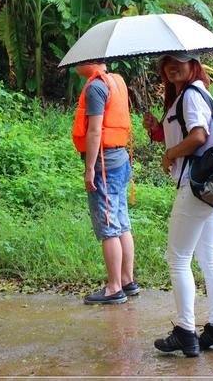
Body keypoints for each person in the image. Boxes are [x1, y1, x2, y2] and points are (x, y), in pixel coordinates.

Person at [142, 53, 213, 357]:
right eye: (167, 60)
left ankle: (185, 331)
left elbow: (198, 136)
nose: (172, 65)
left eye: (180, 59)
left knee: (178, 259)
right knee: (208, 256)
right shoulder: (188, 96)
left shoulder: (191, 94)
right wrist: (157, 130)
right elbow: (185, 135)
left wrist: (169, 155)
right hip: (207, 187)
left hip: (194, 187)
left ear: (193, 63)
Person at [72, 61, 138, 305]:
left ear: (90, 60)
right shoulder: (116, 81)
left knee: (109, 225)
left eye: (80, 60)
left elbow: (95, 132)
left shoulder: (95, 88)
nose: (76, 65)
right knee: (121, 221)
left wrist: (89, 168)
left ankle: (114, 288)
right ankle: (127, 280)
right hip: (120, 160)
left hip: (104, 164)